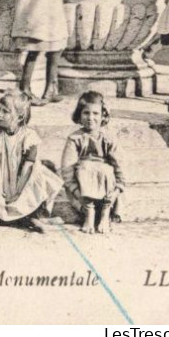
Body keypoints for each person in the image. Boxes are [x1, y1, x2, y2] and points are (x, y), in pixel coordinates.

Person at [0, 89, 63, 233]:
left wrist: (16, 192)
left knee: (38, 170)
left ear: (19, 117)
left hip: (21, 180)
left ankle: (33, 217)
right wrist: (0, 188)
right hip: (2, 178)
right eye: (0, 110)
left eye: (5, 112)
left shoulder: (29, 137)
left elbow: (27, 168)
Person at [61, 91, 124, 235]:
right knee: (85, 167)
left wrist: (117, 189)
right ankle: (89, 213)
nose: (91, 118)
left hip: (106, 187)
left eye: (95, 114)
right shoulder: (75, 138)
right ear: (79, 115)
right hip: (82, 188)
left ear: (103, 116)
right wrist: (77, 192)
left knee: (105, 169)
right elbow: (67, 169)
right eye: (86, 113)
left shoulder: (108, 138)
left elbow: (119, 165)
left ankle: (105, 214)